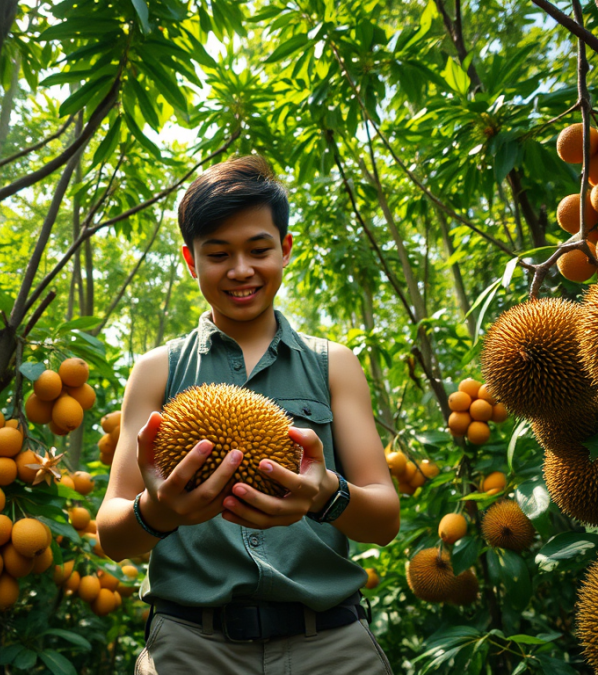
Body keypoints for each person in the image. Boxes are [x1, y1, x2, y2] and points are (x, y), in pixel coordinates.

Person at [96, 155, 400, 674]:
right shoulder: (155, 371)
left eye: (258, 250)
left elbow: (384, 518)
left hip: (330, 645)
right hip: (191, 646)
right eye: (218, 254)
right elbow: (112, 533)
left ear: (284, 250)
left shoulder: (335, 365)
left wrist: (326, 494)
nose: (241, 270)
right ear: (191, 262)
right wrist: (159, 511)